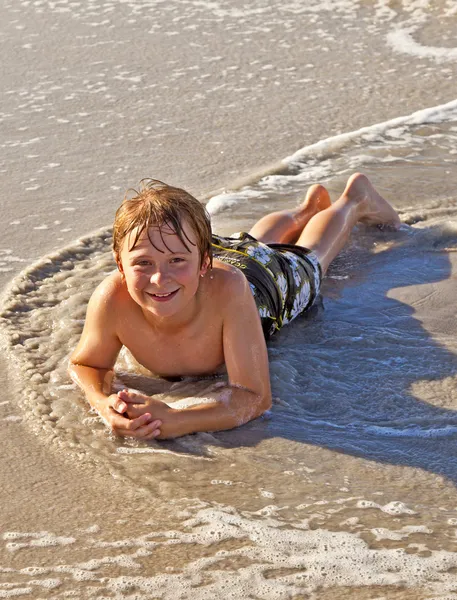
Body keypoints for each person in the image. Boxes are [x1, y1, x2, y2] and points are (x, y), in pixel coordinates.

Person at [69, 173, 400, 440]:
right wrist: (103, 403)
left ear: (202, 262)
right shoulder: (113, 297)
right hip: (219, 259)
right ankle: (306, 210)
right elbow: (87, 364)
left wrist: (175, 418)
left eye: (175, 260)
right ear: (120, 264)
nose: (159, 278)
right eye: (143, 262)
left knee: (312, 257)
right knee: (250, 244)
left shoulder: (229, 292)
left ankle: (353, 200)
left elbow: (254, 396)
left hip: (262, 284)